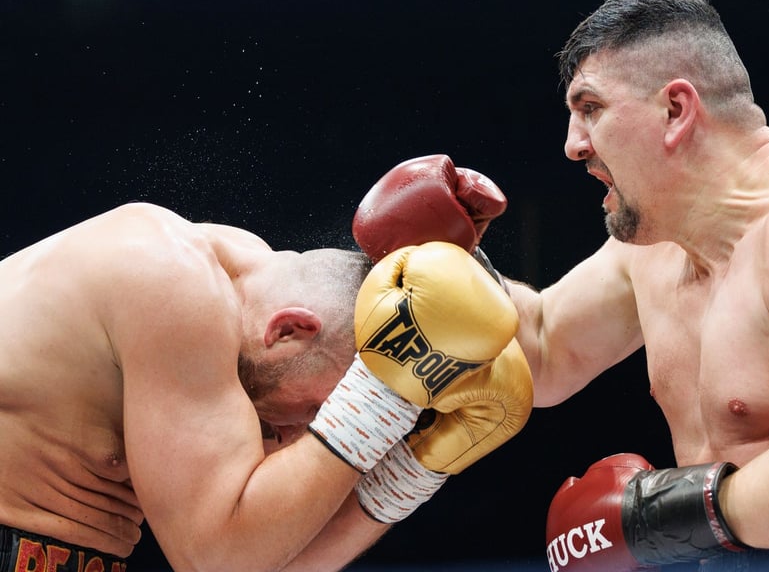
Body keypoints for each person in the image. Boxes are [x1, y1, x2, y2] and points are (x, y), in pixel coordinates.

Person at [348, 0, 769, 569]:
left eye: (590, 109)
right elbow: (541, 345)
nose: (572, 145)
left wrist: (650, 516)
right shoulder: (654, 250)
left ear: (676, 110)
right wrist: (433, 256)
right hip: (728, 552)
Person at [0, 201, 532, 572]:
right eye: (334, 404)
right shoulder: (164, 275)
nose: (310, 428)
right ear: (289, 331)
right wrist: (381, 398)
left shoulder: (248, 359)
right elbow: (216, 559)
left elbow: (274, 555)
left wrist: (417, 467)